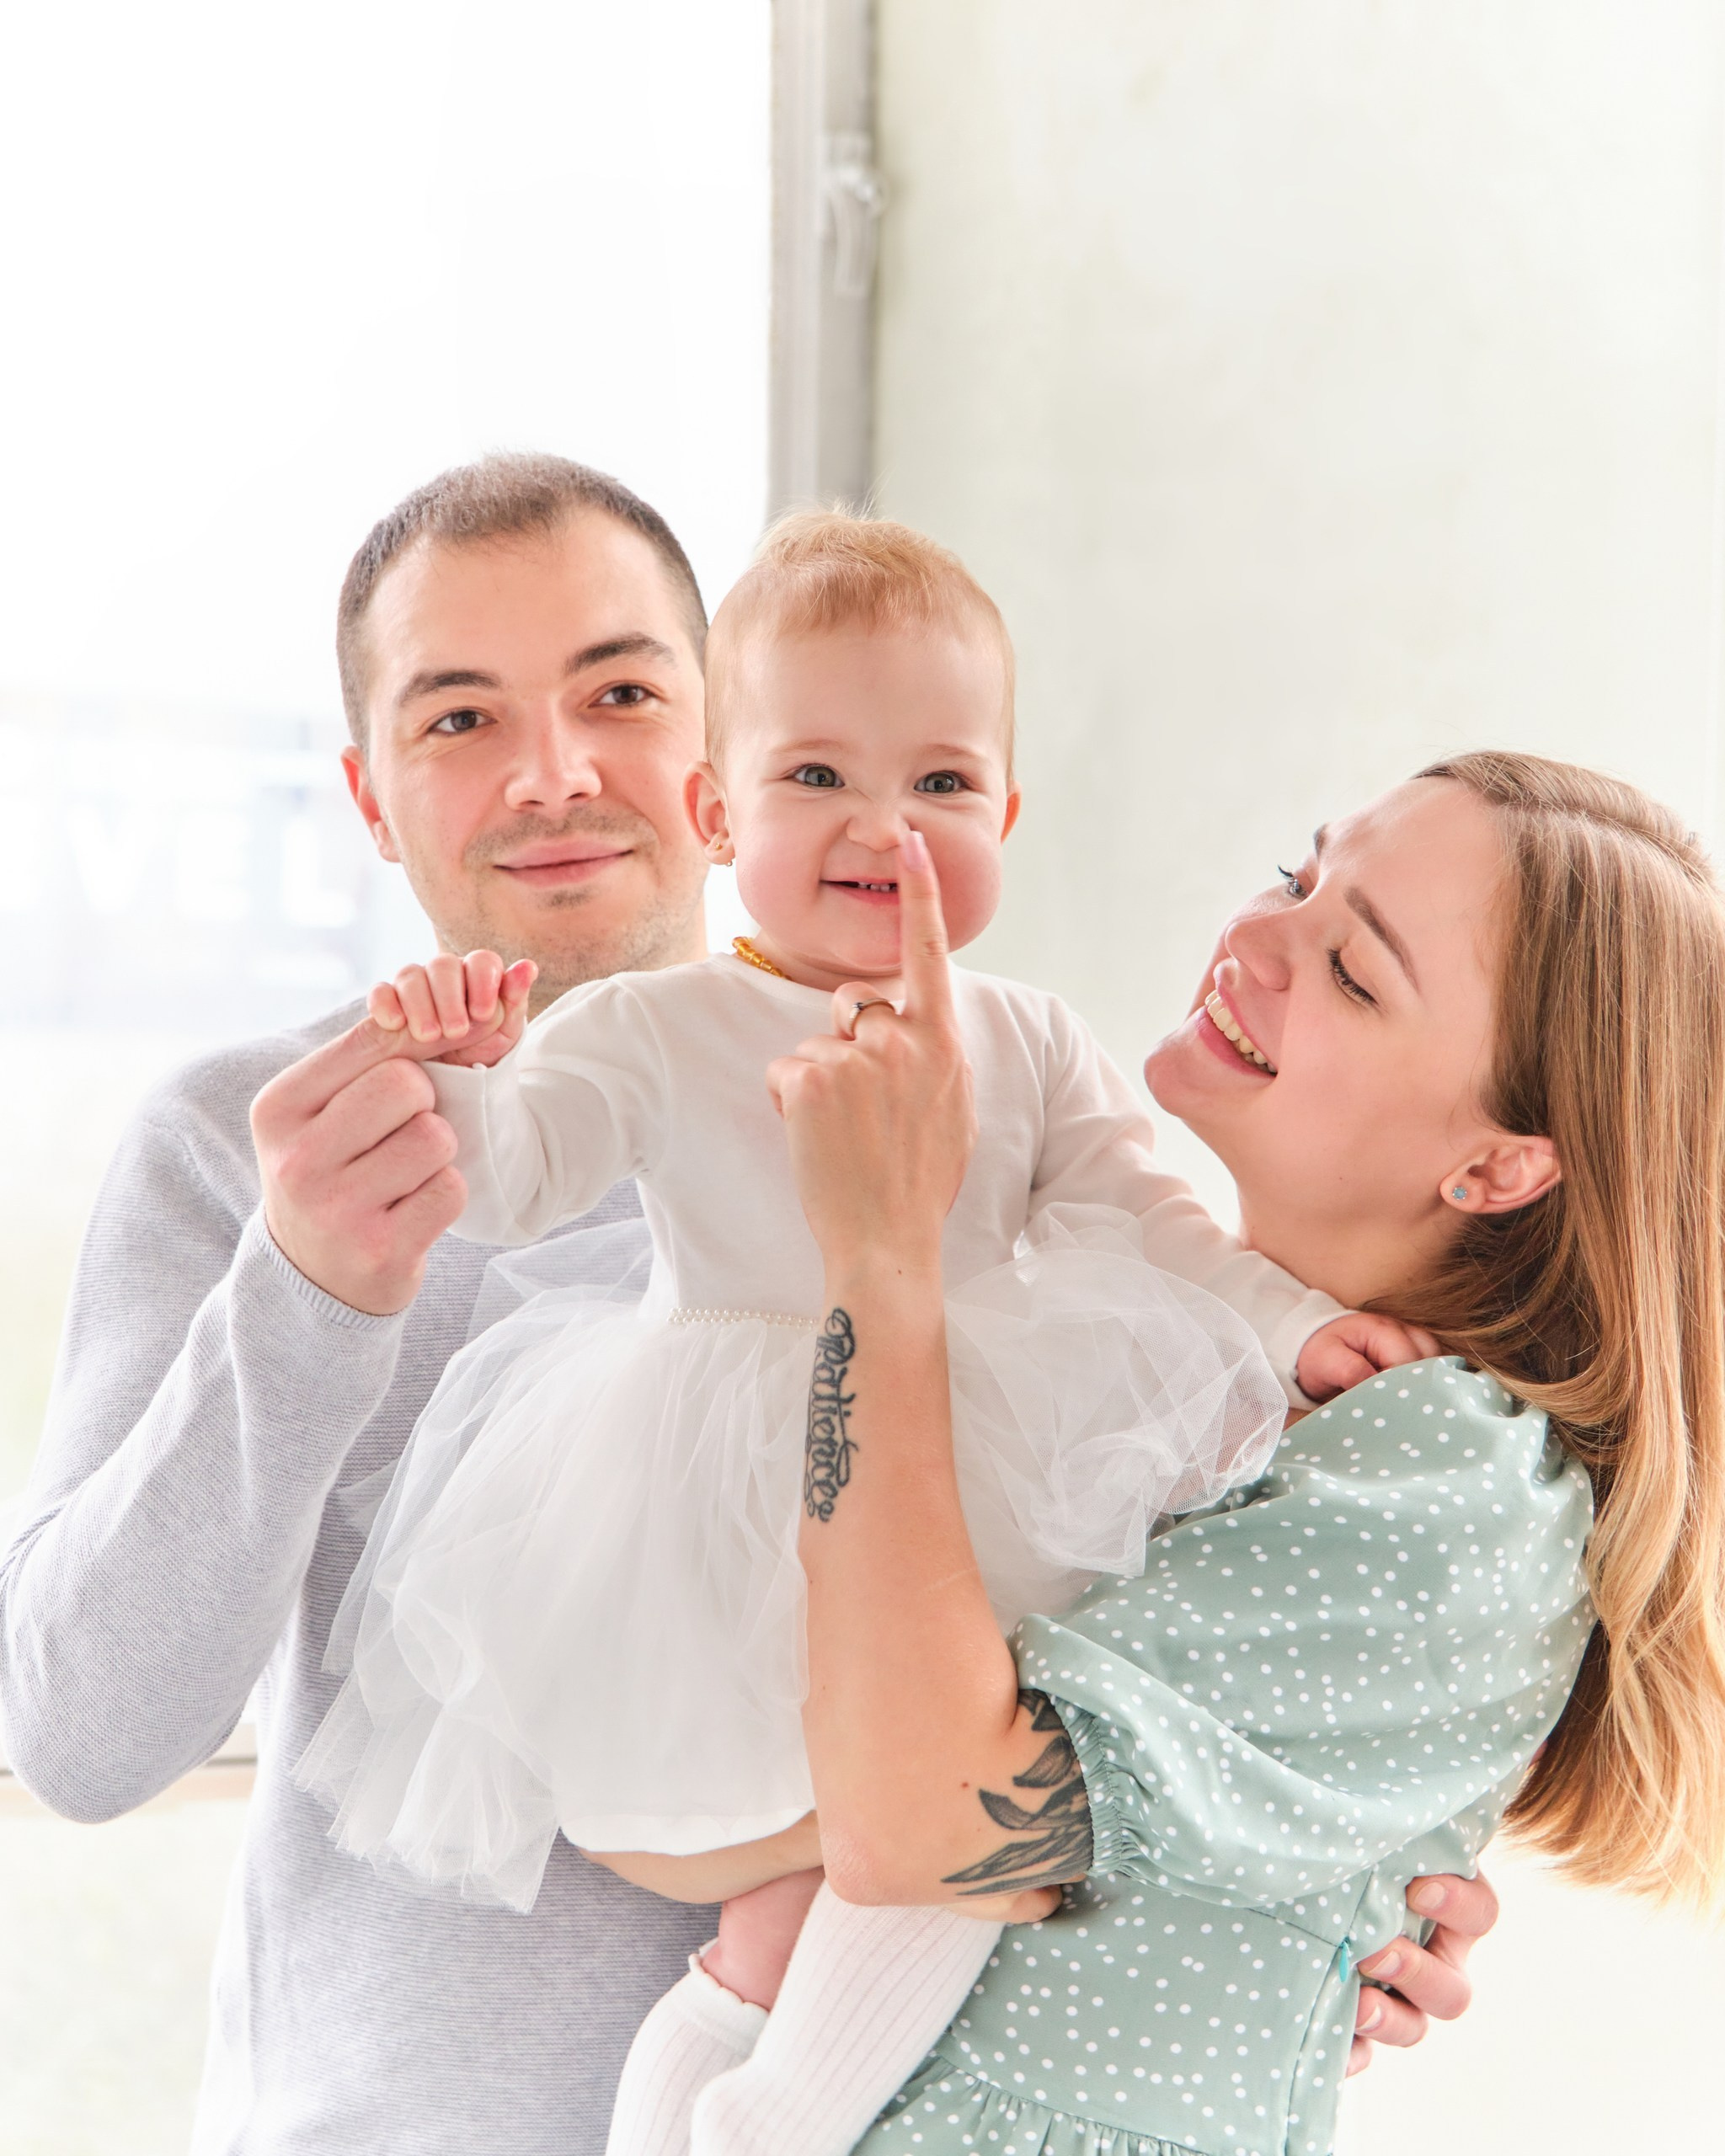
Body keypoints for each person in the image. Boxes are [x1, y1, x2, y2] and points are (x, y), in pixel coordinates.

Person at [0, 454, 1494, 2155]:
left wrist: (1314, 1902)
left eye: (619, 690)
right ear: (368, 793)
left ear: (709, 748)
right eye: (458, 717)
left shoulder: (994, 1121)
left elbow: (1117, 1713)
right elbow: (83, 1738)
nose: (553, 771)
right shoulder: (267, 1141)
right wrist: (312, 1282)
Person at [714, 752, 1725, 2156]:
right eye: (1295, 880)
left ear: (1499, 1169)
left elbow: (928, 1826)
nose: (1251, 943)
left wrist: (877, 1263)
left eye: (1355, 972)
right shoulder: (1177, 1331)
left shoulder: (1451, 1474)